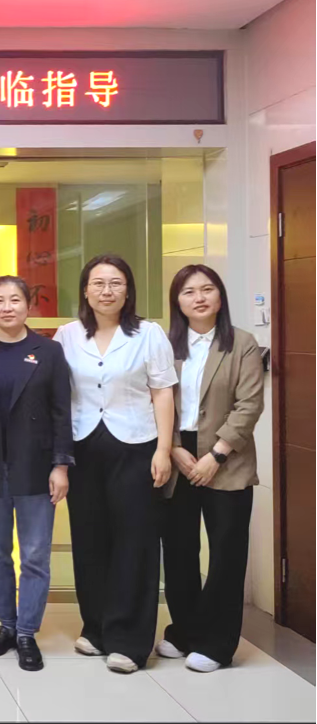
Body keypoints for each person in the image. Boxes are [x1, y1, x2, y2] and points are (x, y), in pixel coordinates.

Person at [54, 254, 176, 674]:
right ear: (85, 291)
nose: (107, 291)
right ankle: (97, 628)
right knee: (90, 539)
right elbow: (59, 394)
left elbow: (162, 391)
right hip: (83, 446)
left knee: (135, 541)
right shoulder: (67, 335)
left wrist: (163, 449)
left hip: (136, 445)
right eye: (98, 283)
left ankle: (130, 640)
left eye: (116, 283)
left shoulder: (149, 333)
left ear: (128, 290)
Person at [0, 276, 73, 672]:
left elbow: (61, 410)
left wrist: (61, 464)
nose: (7, 307)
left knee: (35, 555)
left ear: (27, 306)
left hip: (36, 466)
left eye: (15, 300)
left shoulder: (49, 351)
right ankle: (5, 625)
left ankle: (26, 632)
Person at [156, 265, 264, 673]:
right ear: (177, 301)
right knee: (179, 551)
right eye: (188, 291)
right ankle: (185, 631)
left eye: (207, 289)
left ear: (220, 296)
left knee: (226, 553)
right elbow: (154, 398)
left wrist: (215, 455)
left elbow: (249, 405)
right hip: (177, 456)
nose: (199, 298)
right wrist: (175, 450)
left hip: (227, 459)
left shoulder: (243, 343)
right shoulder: (164, 344)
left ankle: (217, 643)